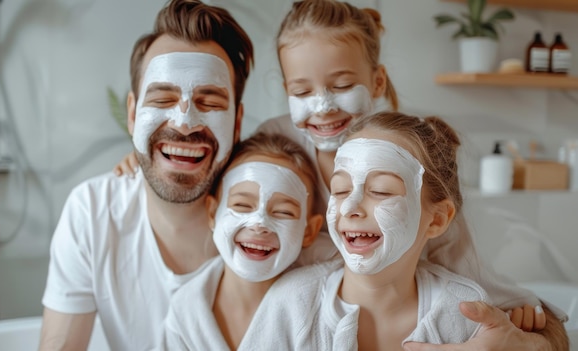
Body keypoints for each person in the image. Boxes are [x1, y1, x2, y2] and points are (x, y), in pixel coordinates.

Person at [112, 0, 568, 348]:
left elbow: (490, 293)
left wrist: (533, 339)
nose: (323, 106)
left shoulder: (415, 171)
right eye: (302, 90)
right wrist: (141, 157)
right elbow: (207, 175)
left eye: (343, 85)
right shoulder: (278, 143)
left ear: (377, 82)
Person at [38, 0, 254, 349]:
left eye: (210, 102)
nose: (184, 123)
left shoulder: (270, 221)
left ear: (238, 122)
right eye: (162, 99)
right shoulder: (92, 212)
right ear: (133, 114)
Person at [281, 111, 569, 350]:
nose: (350, 207)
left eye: (381, 191)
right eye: (340, 189)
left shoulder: (466, 312)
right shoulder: (292, 304)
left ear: (437, 220)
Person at [161, 131, 336, 350]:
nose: (259, 223)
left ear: (309, 231)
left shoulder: (322, 307)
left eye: (283, 212)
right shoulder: (184, 312)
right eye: (242, 206)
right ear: (213, 213)